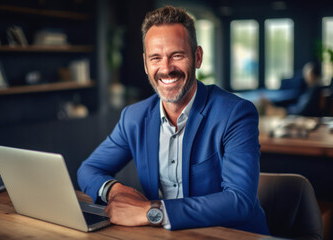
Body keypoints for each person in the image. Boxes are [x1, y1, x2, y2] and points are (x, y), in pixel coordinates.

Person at [78, 5, 269, 235]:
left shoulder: (236, 113)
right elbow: (89, 169)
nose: (166, 69)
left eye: (177, 55)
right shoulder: (134, 117)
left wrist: (150, 211)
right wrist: (113, 190)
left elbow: (239, 201)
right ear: (146, 64)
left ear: (197, 57)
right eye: (155, 58)